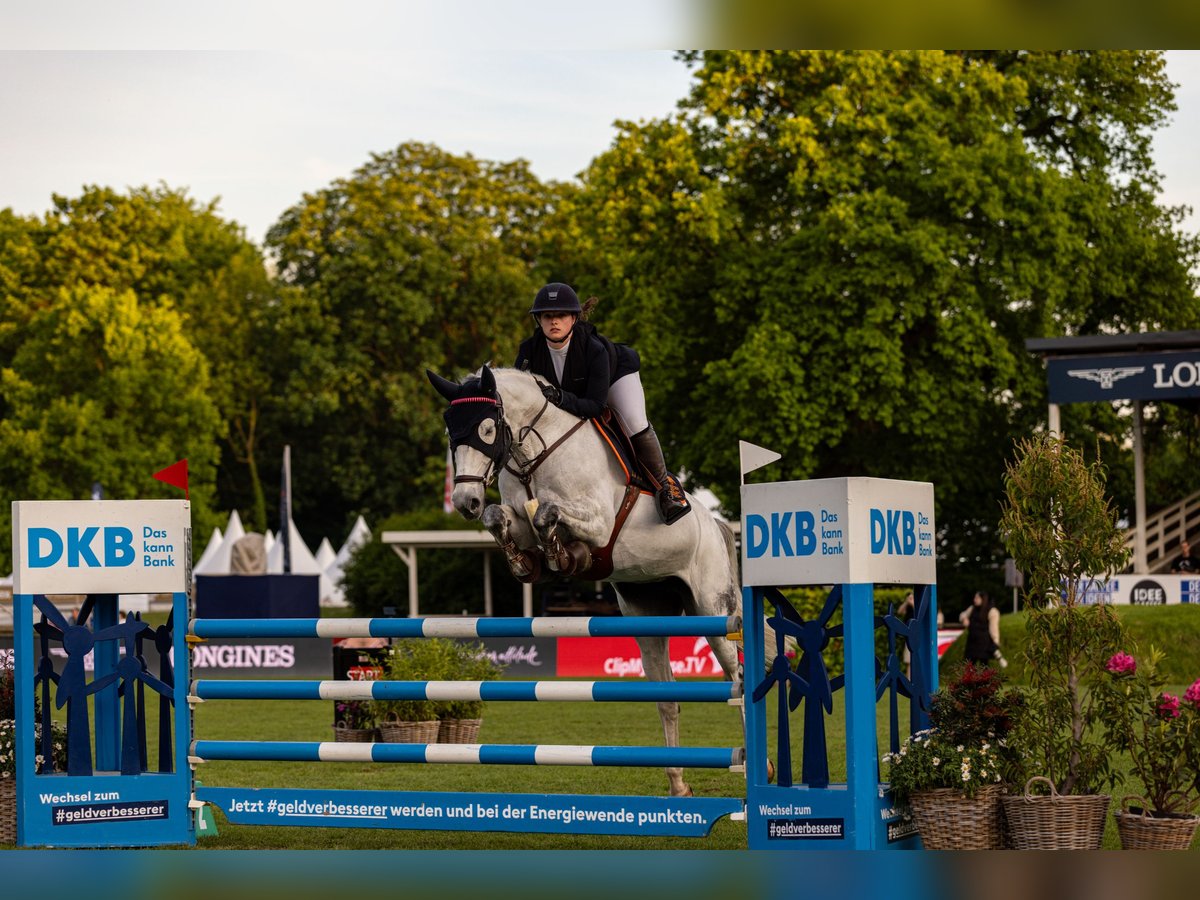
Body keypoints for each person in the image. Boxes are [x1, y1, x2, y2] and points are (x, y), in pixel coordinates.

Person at [514, 282, 690, 525]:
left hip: (615, 376)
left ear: (574, 318)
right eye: (548, 316)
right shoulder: (528, 352)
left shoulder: (594, 349)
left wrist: (562, 398)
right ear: (539, 320)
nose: (554, 321)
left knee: (634, 422)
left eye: (561, 315)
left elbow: (596, 406)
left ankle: (665, 488)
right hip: (572, 395)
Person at [959, 590, 1006, 668]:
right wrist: (964, 619)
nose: (974, 600)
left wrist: (995, 642)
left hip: (984, 643)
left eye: (977, 598)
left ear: (983, 599)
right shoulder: (972, 608)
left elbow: (993, 628)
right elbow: (962, 615)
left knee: (984, 667)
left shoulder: (992, 611)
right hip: (972, 643)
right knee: (968, 667)